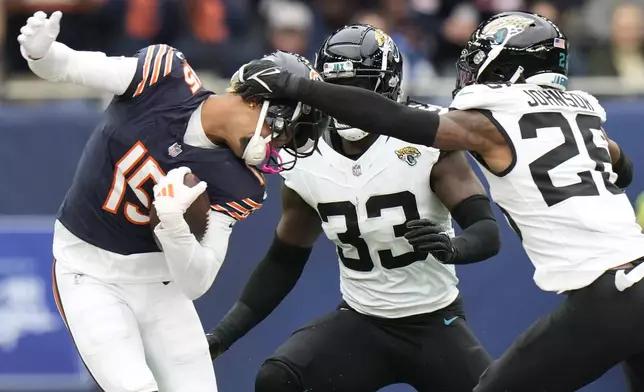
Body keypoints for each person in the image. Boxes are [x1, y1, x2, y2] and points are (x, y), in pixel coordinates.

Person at [232, 11, 644, 392]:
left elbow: (396, 120)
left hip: (610, 293)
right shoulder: (581, 113)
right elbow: (622, 167)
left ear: (507, 67)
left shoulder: (488, 123)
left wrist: (299, 87)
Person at [18, 10, 328, 392]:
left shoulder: (242, 184)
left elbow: (197, 281)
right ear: (256, 100)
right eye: (285, 130)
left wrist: (175, 227)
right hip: (88, 271)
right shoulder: (164, 76)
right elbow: (74, 66)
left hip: (161, 285)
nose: (280, 145)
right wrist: (42, 54)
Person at [207, 24, 499, 392]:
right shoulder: (306, 154)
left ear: (387, 85)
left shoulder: (426, 142)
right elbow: (284, 260)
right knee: (279, 379)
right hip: (362, 320)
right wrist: (223, 335)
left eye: (356, 87)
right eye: (334, 87)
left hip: (434, 322)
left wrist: (453, 247)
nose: (344, 100)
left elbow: (487, 232)